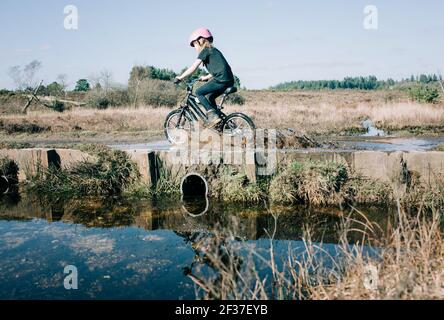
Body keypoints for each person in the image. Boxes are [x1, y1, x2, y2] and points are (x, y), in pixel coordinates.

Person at [175, 28, 235, 127]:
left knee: (199, 92)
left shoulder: (205, 50)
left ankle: (213, 117)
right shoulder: (214, 50)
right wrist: (207, 76)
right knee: (210, 97)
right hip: (228, 80)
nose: (194, 47)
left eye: (194, 44)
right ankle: (219, 122)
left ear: (201, 40)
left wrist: (181, 77)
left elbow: (193, 67)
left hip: (221, 80)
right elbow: (221, 67)